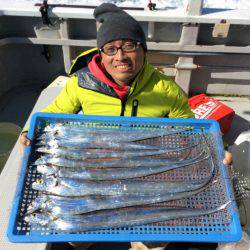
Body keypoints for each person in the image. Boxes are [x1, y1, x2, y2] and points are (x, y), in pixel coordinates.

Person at [20, 3, 233, 250]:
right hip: (92, 169)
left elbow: (191, 130)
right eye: (111, 49)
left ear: (143, 50)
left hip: (147, 173)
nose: (120, 57)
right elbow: (53, 114)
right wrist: (29, 132)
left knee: (156, 238)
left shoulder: (165, 89)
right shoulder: (80, 84)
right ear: (101, 54)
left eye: (129, 46)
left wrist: (220, 150)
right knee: (77, 238)